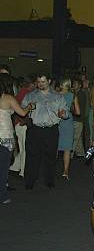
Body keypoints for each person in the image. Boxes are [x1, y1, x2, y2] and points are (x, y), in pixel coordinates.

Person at [22, 73, 69, 190]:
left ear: (49, 81)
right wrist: (28, 109)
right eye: (38, 82)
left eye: (43, 81)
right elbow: (22, 110)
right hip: (35, 129)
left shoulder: (58, 97)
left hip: (51, 129)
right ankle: (30, 181)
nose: (40, 84)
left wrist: (63, 114)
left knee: (51, 156)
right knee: (32, 156)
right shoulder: (30, 95)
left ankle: (49, 180)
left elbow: (66, 113)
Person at [0, 74, 34, 203]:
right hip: (5, 136)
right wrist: (29, 106)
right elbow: (22, 113)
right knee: (3, 169)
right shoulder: (8, 98)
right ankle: (2, 196)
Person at [10, 76, 34, 177]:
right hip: (22, 124)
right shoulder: (26, 93)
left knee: (22, 147)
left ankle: (15, 166)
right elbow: (22, 109)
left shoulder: (21, 93)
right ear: (31, 84)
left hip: (18, 124)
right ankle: (23, 171)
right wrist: (23, 120)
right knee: (25, 149)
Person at [57, 77, 80, 180]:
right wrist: (71, 111)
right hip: (68, 123)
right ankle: (65, 171)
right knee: (67, 149)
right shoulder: (72, 96)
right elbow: (78, 112)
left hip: (56, 122)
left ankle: (50, 168)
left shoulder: (55, 95)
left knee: (54, 146)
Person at [71, 78, 86, 157]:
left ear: (80, 85)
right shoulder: (77, 93)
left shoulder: (80, 94)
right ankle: (81, 153)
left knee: (75, 138)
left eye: (75, 84)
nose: (73, 85)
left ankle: (70, 154)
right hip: (78, 119)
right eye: (73, 83)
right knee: (78, 138)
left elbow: (77, 108)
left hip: (78, 119)